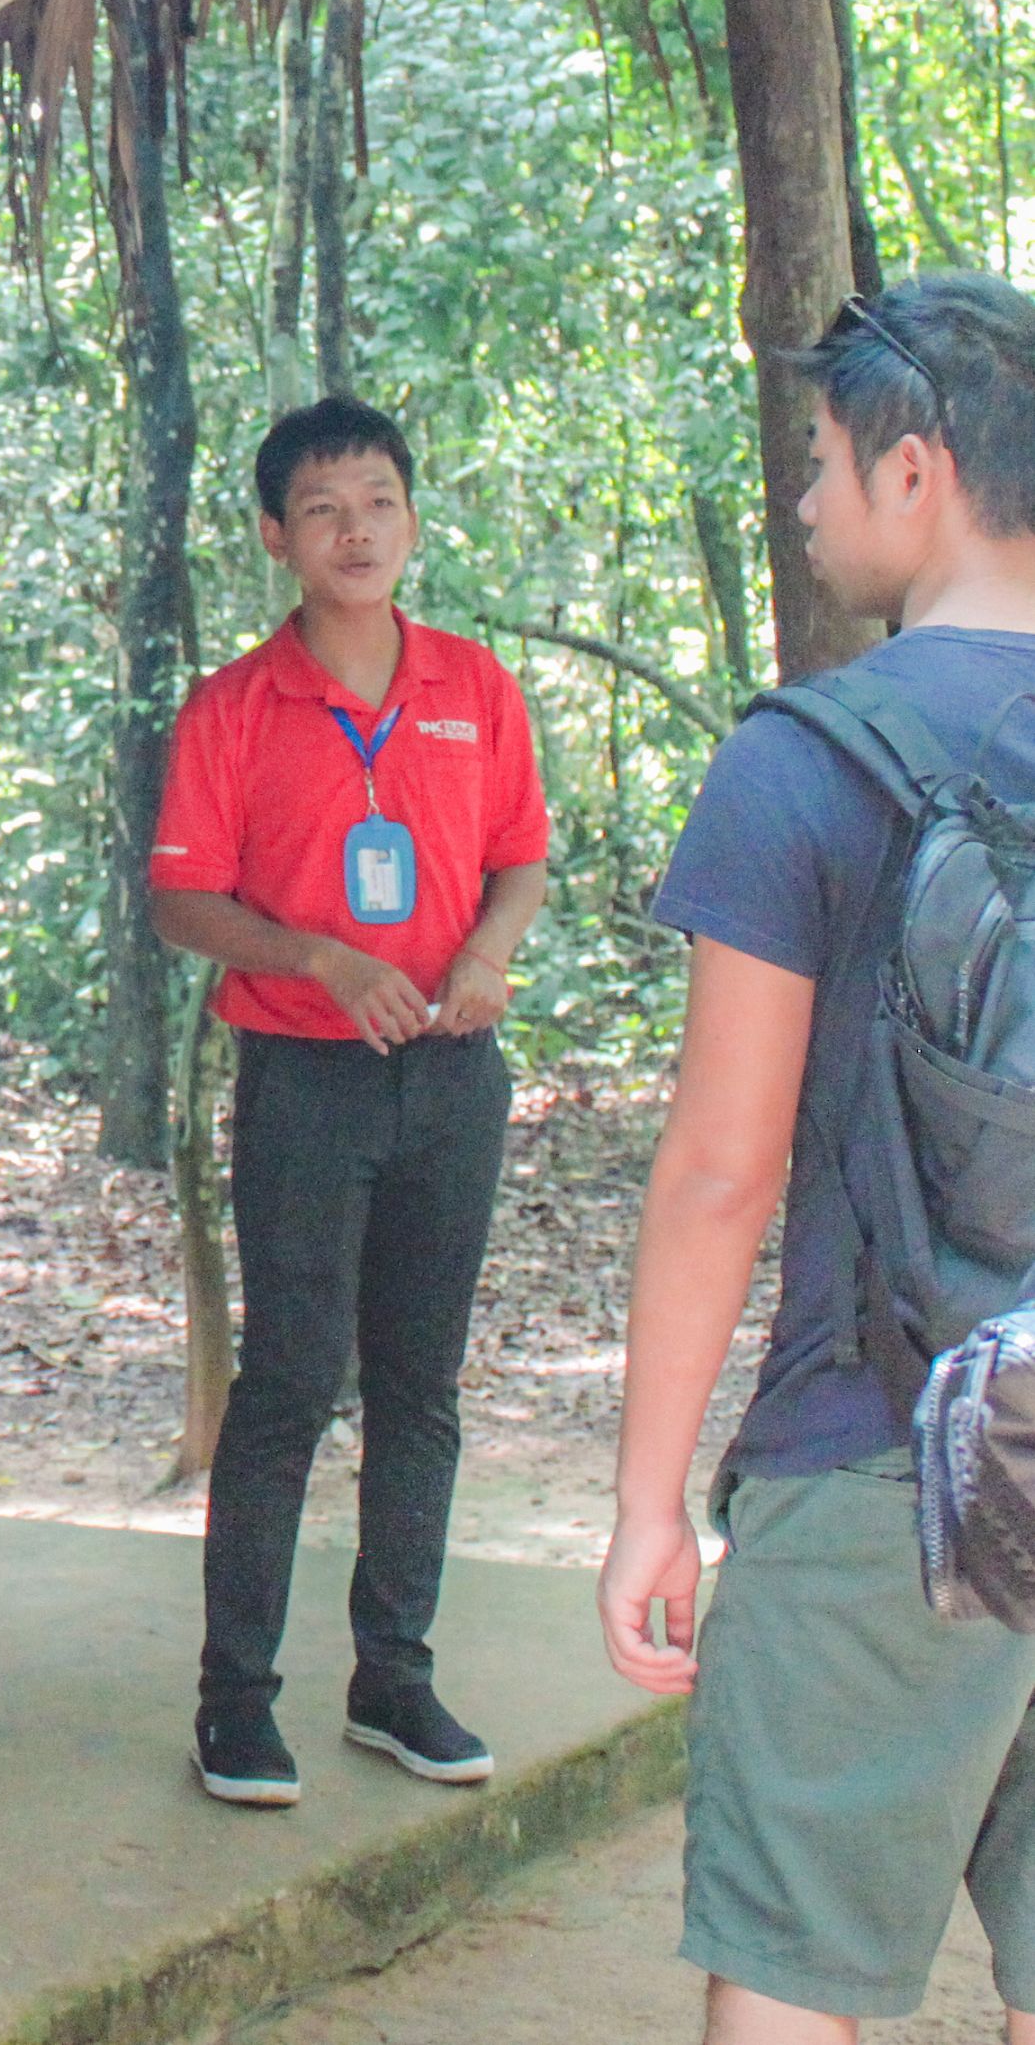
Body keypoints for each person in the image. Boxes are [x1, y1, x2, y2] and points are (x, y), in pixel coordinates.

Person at [601, 272, 1035, 2044]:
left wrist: (647, 1499)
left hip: (888, 1452)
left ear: (914, 470)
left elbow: (720, 1167)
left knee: (789, 1966)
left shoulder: (802, 764)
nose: (800, 499)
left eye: (819, 463)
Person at [148, 393, 548, 1808]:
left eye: (376, 499)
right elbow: (181, 898)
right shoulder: (233, 707)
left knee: (420, 1385)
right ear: (275, 536)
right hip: (303, 1079)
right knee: (289, 1383)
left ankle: (392, 1676)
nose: (353, 528)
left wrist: (488, 954)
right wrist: (315, 955)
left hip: (450, 1073)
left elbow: (518, 856)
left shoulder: (469, 686)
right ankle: (231, 1699)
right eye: (321, 507)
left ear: (411, 520)